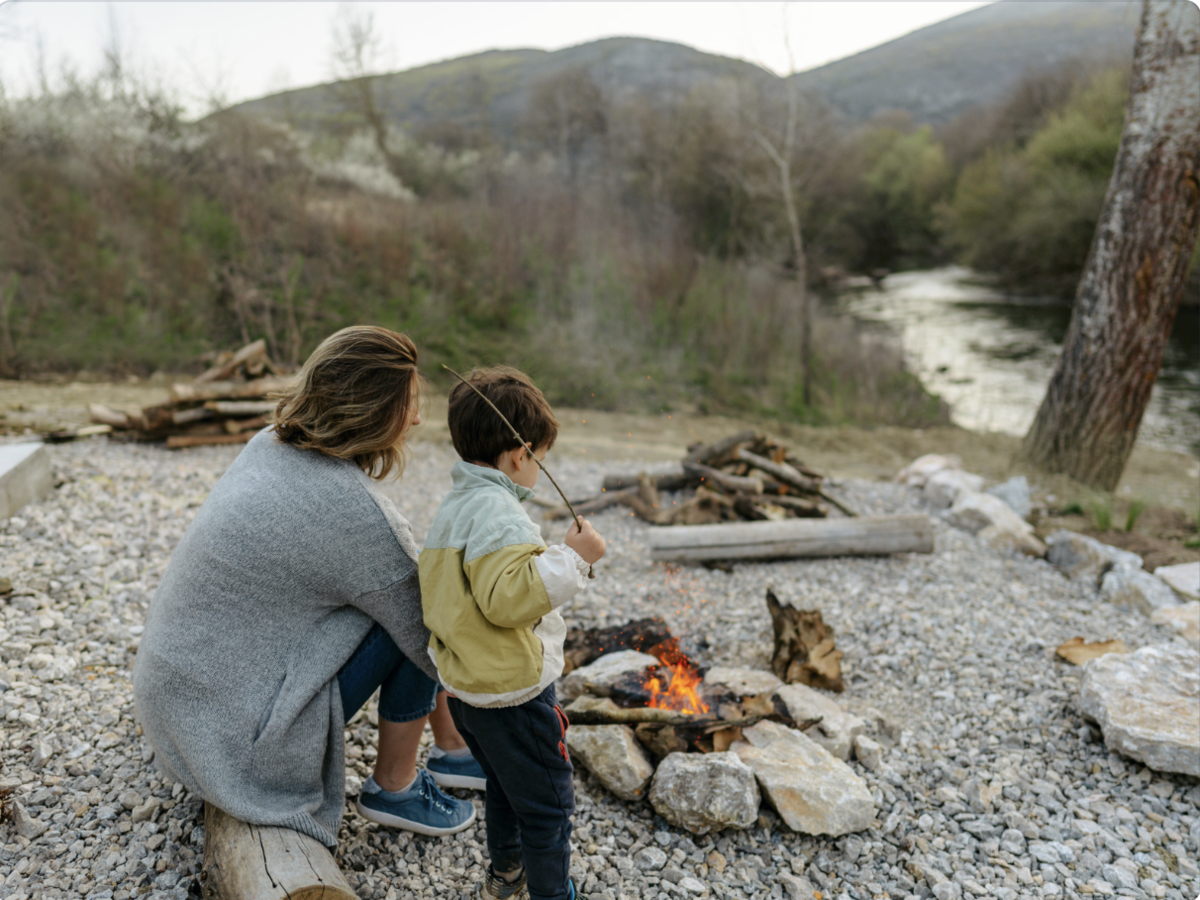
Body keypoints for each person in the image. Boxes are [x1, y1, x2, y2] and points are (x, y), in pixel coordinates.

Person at [133, 325, 480, 849]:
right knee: (424, 611)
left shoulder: (266, 446)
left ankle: (451, 750)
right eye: (408, 404)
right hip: (232, 745)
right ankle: (396, 785)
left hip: (174, 709)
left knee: (383, 598)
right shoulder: (354, 515)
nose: (416, 418)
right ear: (374, 411)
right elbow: (433, 636)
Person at [420, 366, 607, 900]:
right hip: (514, 694)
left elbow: (475, 586)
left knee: (504, 787)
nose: (540, 468)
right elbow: (507, 600)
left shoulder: (455, 508)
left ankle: (506, 876)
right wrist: (576, 559)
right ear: (520, 454)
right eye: (540, 459)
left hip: (469, 691)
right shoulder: (500, 514)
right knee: (548, 805)